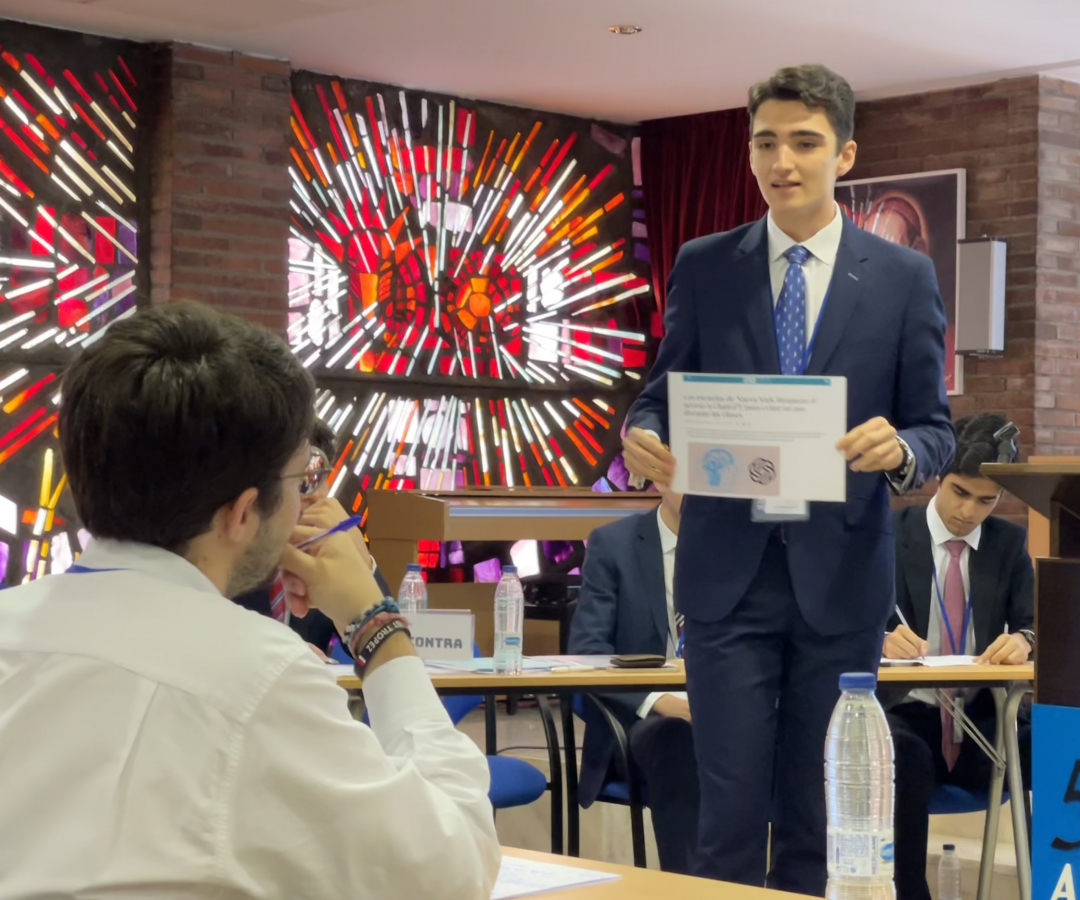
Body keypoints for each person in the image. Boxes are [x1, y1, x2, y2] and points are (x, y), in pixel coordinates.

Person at [0, 303, 500, 899]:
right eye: (300, 480)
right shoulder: (257, 677)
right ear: (241, 512)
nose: (304, 502)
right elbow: (452, 866)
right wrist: (376, 624)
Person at [621, 64, 954, 892]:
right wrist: (642, 432)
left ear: (845, 155)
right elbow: (662, 391)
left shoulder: (902, 277)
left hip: (842, 580)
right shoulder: (706, 264)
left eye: (804, 143)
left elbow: (935, 428)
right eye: (765, 142)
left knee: (819, 810)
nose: (782, 162)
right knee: (727, 812)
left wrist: (902, 451)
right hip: (726, 578)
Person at [884, 413, 1034, 900]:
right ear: (938, 477)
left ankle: (1057, 885)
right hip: (910, 713)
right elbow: (844, 620)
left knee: (1055, 744)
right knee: (901, 756)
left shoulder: (1007, 544)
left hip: (983, 722)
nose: (969, 512)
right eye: (959, 492)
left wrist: (1025, 639)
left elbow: (1037, 621)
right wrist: (879, 640)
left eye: (986, 500)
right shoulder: (890, 534)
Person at [569, 484, 699, 875]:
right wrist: (660, 701)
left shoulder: (742, 547)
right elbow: (588, 650)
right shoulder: (614, 544)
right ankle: (690, 886)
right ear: (660, 477)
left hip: (726, 710)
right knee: (678, 738)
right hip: (643, 722)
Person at [231, 419, 390, 658]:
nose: (315, 496)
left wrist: (363, 562)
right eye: (301, 482)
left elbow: (383, 653)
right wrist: (273, 653)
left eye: (320, 478)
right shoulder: (228, 553)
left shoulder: (325, 556)